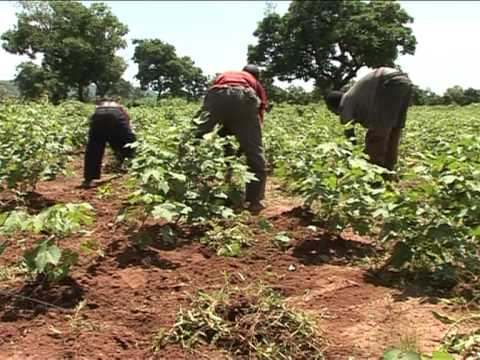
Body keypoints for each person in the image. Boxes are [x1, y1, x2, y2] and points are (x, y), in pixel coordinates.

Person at [194, 64, 268, 214]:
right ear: (257, 76)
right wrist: (251, 141)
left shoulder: (225, 75)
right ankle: (254, 201)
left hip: (217, 95)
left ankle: (186, 185)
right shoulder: (254, 82)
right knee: (255, 153)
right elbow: (259, 109)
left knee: (194, 137)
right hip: (243, 97)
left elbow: (218, 101)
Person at [325, 67, 413, 172]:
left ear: (335, 106)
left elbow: (349, 134)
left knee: (376, 136)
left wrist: (354, 155)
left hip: (388, 82)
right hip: (404, 82)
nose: (334, 114)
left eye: (331, 111)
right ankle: (389, 170)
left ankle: (376, 173)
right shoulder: (355, 96)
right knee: (394, 130)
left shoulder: (345, 103)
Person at [81, 98, 136, 188]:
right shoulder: (118, 106)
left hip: (98, 114)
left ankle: (88, 179)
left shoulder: (99, 106)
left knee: (94, 146)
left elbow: (92, 119)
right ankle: (128, 164)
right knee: (129, 141)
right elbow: (127, 119)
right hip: (115, 114)